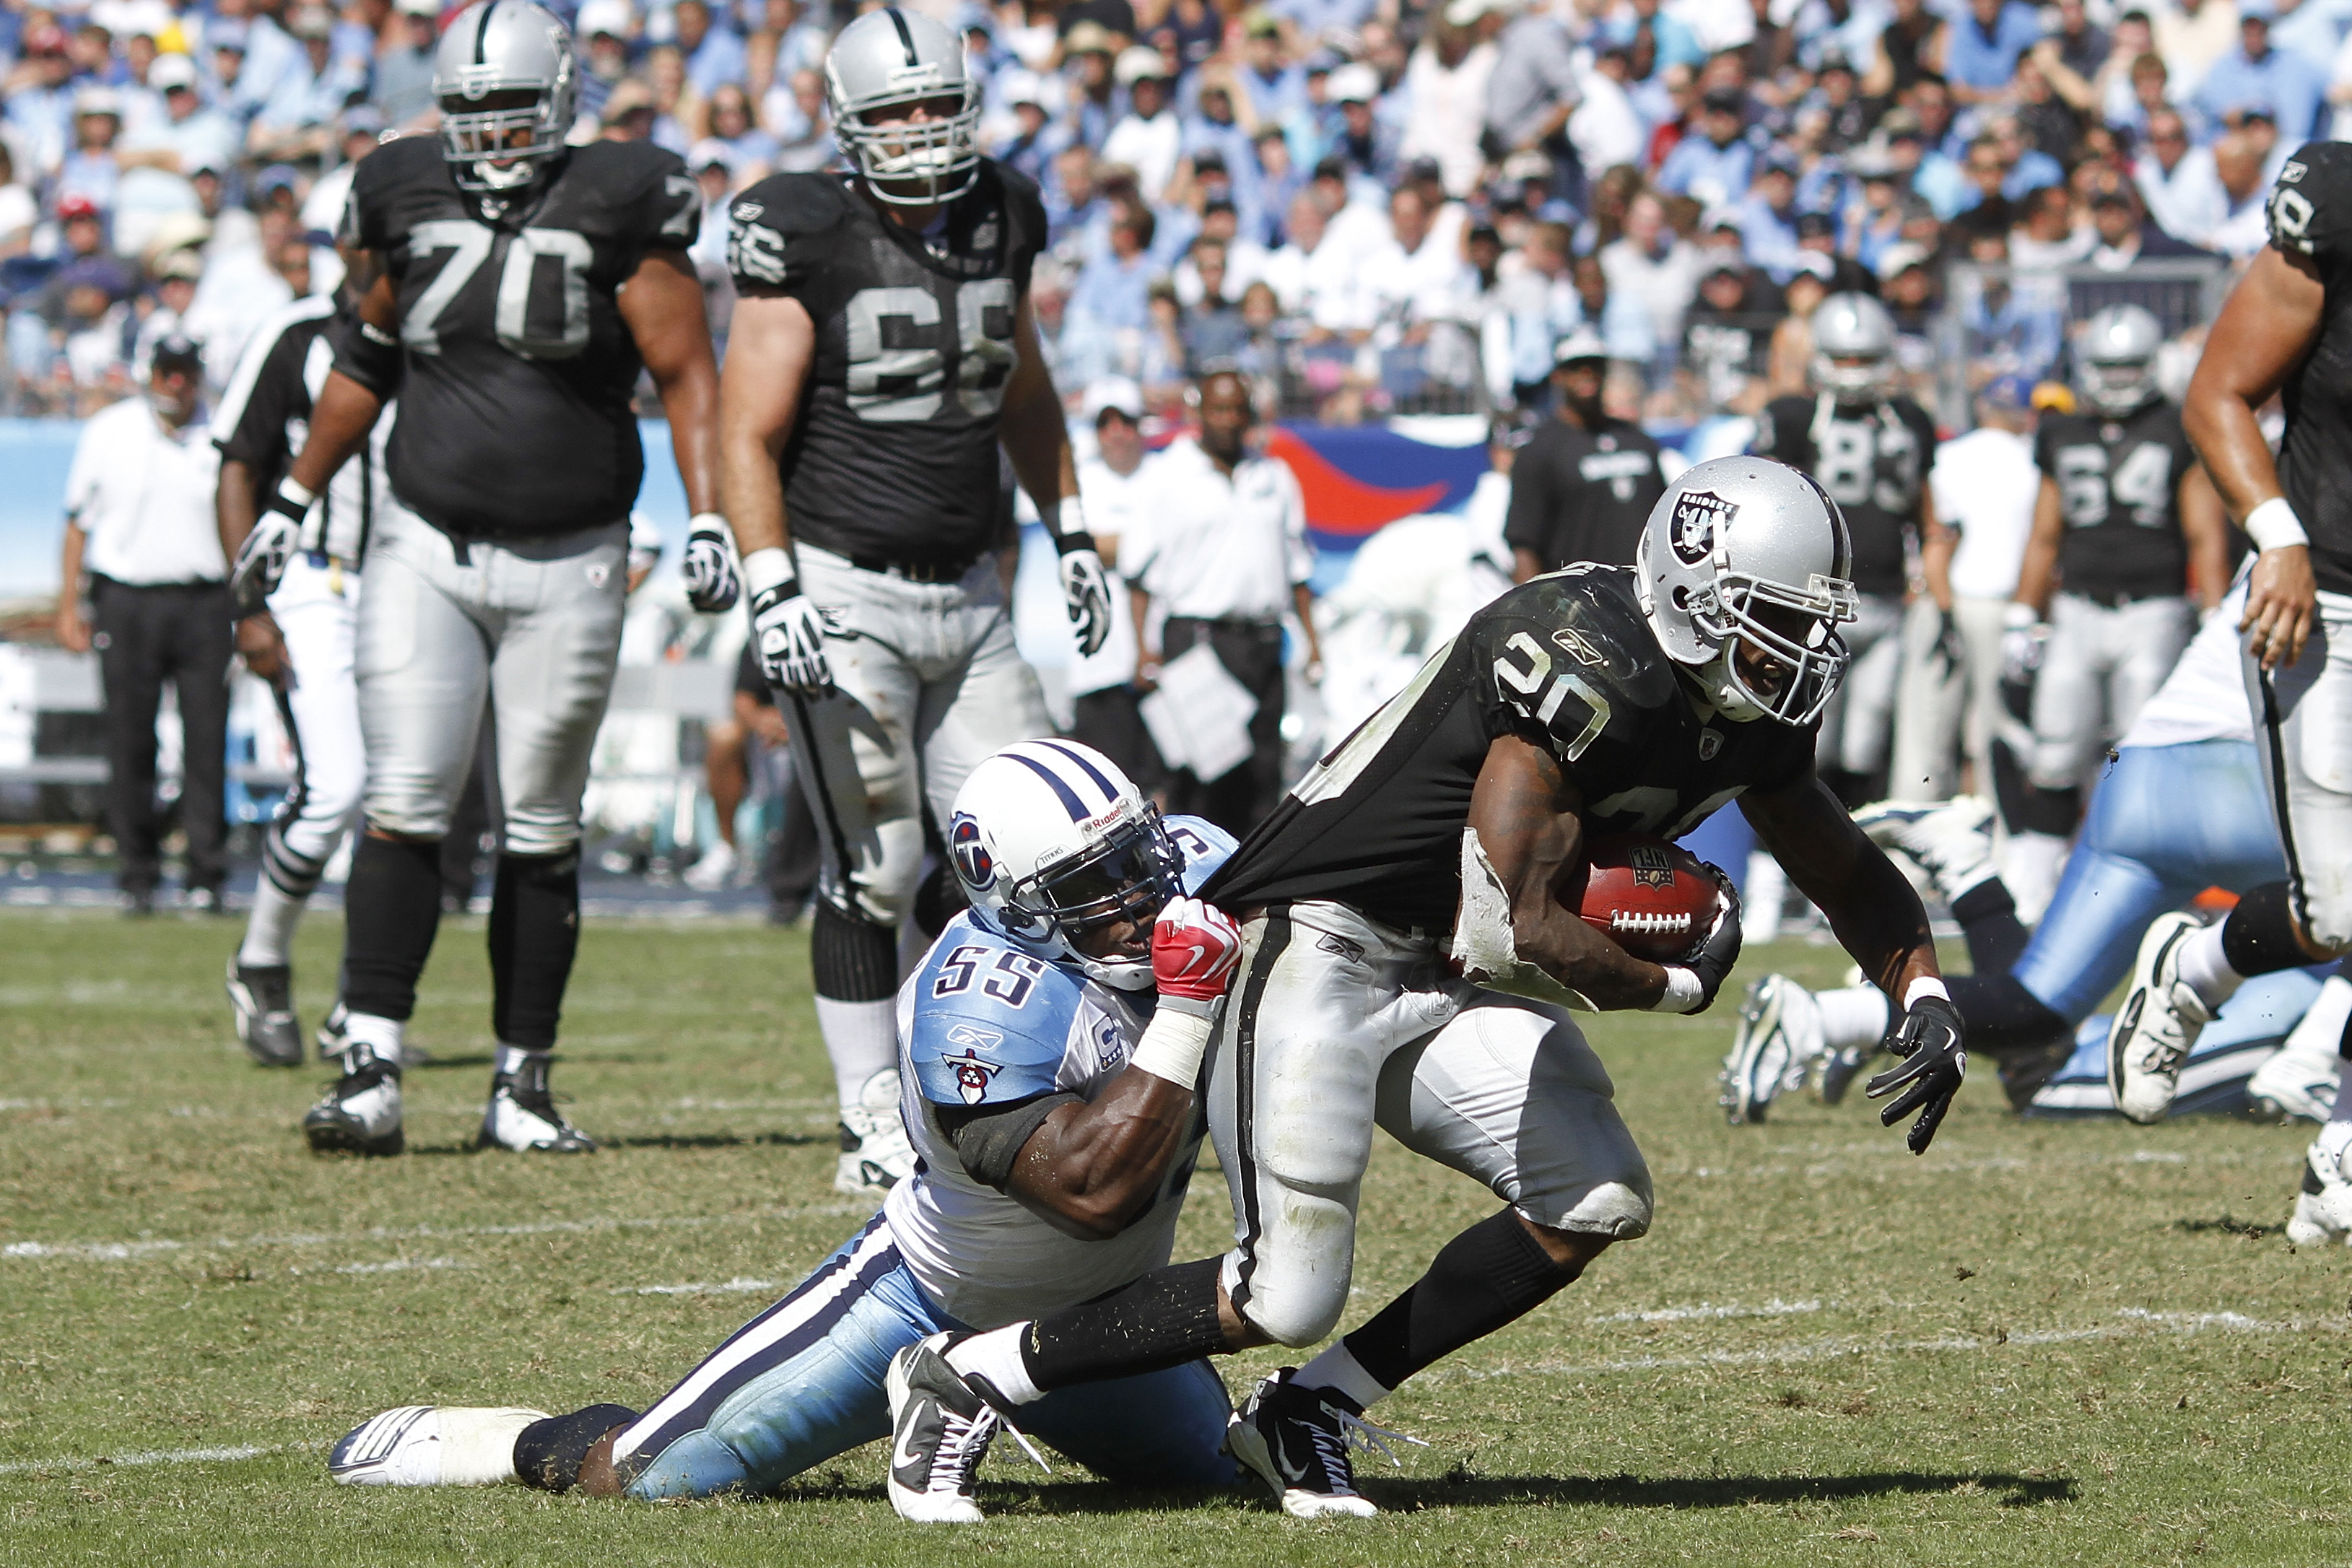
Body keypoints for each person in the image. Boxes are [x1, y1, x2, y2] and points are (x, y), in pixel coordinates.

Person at [882, 458, 1969, 1523]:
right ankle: (970, 1373)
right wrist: (1679, 987)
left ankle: (1311, 1408)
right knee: (1283, 1292)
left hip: (1435, 962)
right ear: (1690, 595)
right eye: (1772, 615)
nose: (1800, 648)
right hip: (1320, 939)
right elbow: (1516, 923)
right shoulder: (1582, 659)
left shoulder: (1748, 706)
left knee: (1591, 1196)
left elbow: (1841, 867)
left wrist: (1919, 991)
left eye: (1811, 619)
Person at [323, 742, 1252, 1515]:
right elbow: (1094, 1193)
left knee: (1234, 1475)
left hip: (1089, 1318)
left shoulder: (1198, 864)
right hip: (927, 1303)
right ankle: (510, 1437)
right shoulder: (977, 1006)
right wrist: (1190, 1002)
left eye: (1139, 857)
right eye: (1099, 879)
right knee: (648, 1479)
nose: (1141, 894)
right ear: (1011, 900)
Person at [244, 0, 723, 1158]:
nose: (491, 138)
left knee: (540, 826)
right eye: (470, 114)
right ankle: (371, 1063)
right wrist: (296, 494)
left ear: (556, 107)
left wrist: (707, 515)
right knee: (404, 802)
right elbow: (365, 356)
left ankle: (523, 1079)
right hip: (426, 543)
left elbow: (686, 370)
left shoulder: (619, 196)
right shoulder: (400, 187)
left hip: (575, 551)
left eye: (511, 114)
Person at [717, 8, 1113, 1198]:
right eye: (892, 111)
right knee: (875, 863)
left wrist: (1074, 525)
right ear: (845, 123)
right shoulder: (804, 229)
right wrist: (769, 577)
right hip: (843, 583)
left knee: (1046, 853)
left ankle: (1007, 1074)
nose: (918, 130)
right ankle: (868, 1115)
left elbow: (1022, 385)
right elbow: (746, 424)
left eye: (935, 104)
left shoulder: (1005, 209)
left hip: (972, 588)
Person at [1724, 572, 2290, 1120]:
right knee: (2066, 1086)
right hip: (2254, 784)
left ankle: (1935, 908)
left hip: (2143, 775)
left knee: (2036, 1014)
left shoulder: (2294, 517)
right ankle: (2305, 1065)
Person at [2127, 140, 2352, 1243]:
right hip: (2333, 601)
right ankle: (2196, 961)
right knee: (2340, 910)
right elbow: (2218, 387)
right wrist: (2277, 537)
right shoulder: (2337, 207)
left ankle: (2341, 1158)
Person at [214, 284, 394, 1067]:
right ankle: (261, 960)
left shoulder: (440, 330)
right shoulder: (297, 335)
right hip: (312, 580)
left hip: (405, 583)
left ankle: (363, 1005)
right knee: (337, 786)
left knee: (404, 799)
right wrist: (249, 604)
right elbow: (237, 465)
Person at [2000, 304, 2229, 899]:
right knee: (2055, 747)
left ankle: (2140, 889)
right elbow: (2043, 533)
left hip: (2154, 610)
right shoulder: (2062, 429)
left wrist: (2213, 615)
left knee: (2141, 752)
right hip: (2076, 607)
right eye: (2109, 366)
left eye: (2130, 366)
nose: (2119, 378)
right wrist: (2024, 614)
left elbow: (2204, 532)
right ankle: (2031, 894)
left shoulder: (2176, 426)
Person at [56, 335, 230, 917]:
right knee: (131, 739)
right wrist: (68, 603)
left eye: (185, 373)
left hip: (205, 600)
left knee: (206, 741)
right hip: (127, 600)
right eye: (166, 372)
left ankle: (206, 870)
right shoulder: (111, 432)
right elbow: (78, 521)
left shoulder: (221, 429)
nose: (176, 384)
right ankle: (138, 872)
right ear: (149, 374)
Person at [1751, 292, 1940, 807]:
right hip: (1811, 605)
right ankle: (1778, 872)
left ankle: (1847, 860)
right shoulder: (1792, 416)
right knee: (1807, 734)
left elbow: (1926, 512)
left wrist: (1934, 589)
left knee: (1866, 741)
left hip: (1884, 599)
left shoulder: (1908, 420)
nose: (1854, 372)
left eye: (1864, 359)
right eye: (1845, 359)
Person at [1123, 366, 1320, 838]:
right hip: (1197, 642)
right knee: (1199, 777)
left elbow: (1298, 568)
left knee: (1263, 776)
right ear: (1199, 412)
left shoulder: (1273, 476)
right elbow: (1137, 575)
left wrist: (1313, 642)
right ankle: (1191, 894)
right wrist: (1143, 648)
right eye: (1219, 409)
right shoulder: (1167, 475)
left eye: (1238, 409)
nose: (1229, 419)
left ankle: (1247, 899)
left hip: (1264, 641)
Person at [1503, 326, 1667, 578]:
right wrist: (1538, 611)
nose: (1586, 373)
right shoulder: (1539, 450)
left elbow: (1665, 523)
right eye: (1576, 366)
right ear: (1557, 376)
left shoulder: (1639, 441)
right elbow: (1525, 545)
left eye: (1594, 365)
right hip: (1579, 603)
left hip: (1646, 595)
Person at [1065, 376, 1162, 795]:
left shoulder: (1166, 476)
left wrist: (1113, 542)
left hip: (1162, 657)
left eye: (1125, 420)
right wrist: (1154, 540)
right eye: (1104, 423)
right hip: (1098, 663)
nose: (1116, 432)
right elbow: (1077, 548)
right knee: (1108, 793)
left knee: (1167, 790)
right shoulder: (1078, 483)